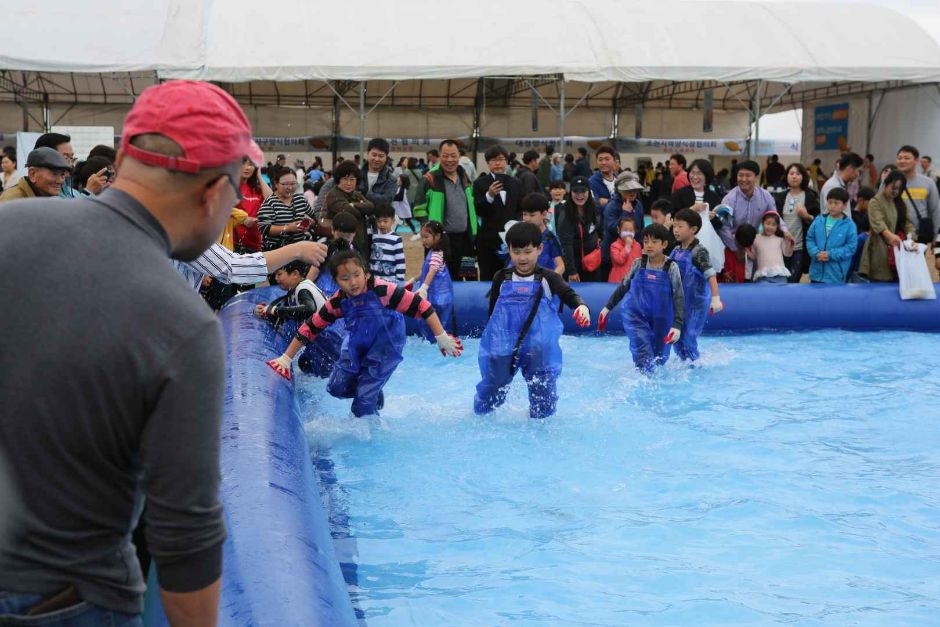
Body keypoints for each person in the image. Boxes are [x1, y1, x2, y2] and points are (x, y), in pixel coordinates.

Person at [0, 79, 258, 626]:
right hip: (64, 600)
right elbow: (185, 532)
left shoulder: (7, 224)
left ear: (122, 159)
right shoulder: (181, 323)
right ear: (213, 192)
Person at [267, 250, 463, 416]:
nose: (352, 282)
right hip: (357, 342)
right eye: (344, 278)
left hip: (386, 346)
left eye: (356, 275)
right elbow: (311, 327)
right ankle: (373, 392)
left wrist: (441, 337)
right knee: (336, 387)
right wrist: (285, 358)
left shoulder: (383, 291)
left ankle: (371, 424)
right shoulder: (338, 301)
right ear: (336, 281)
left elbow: (422, 306)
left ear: (366, 274)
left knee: (362, 404)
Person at [474, 222, 590, 419]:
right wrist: (493, 347)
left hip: (539, 348)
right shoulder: (501, 278)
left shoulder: (549, 278)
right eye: (516, 251)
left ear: (539, 249)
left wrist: (582, 307)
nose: (522, 258)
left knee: (543, 402)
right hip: (505, 348)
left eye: (527, 251)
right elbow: (493, 315)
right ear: (508, 250)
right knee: (491, 393)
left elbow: (569, 295)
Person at [598, 224, 684, 373]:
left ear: (664, 244)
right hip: (636, 315)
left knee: (659, 359)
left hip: (662, 318)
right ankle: (643, 382)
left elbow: (678, 296)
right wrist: (607, 308)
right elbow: (623, 286)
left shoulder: (671, 267)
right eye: (646, 241)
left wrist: (676, 325)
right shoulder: (638, 263)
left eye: (654, 241)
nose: (649, 245)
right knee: (643, 356)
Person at [415, 139, 477, 280]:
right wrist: (430, 230)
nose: (449, 160)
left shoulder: (464, 176)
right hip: (441, 241)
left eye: (453, 156)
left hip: (466, 240)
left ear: (459, 156)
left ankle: (464, 302)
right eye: (445, 156)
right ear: (439, 156)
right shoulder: (430, 178)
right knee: (441, 278)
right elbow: (418, 208)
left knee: (469, 276)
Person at [669, 209, 723, 362]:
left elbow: (711, 274)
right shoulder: (676, 251)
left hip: (696, 305)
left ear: (693, 229)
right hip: (679, 304)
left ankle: (695, 366)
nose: (676, 230)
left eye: (680, 226)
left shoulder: (698, 252)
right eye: (674, 226)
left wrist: (715, 298)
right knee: (677, 339)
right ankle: (684, 364)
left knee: (689, 338)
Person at [719, 160, 789, 269]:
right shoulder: (728, 199)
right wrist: (735, 248)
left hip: (756, 245)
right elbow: (724, 227)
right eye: (740, 175)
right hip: (732, 245)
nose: (743, 179)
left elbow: (776, 217)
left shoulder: (766, 196)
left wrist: (786, 232)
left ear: (756, 177)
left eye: (748, 175)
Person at [473, 145, 523, 280]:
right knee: (487, 278)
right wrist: (489, 195)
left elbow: (520, 209)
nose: (497, 163)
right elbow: (477, 209)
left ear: (506, 161)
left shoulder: (516, 183)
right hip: (488, 241)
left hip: (511, 241)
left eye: (501, 159)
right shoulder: (479, 183)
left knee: (511, 278)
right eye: (493, 160)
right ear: (488, 163)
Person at [859, 170, 915, 282]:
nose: (895, 191)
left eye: (899, 189)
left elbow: (908, 223)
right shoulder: (875, 201)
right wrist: (890, 236)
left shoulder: (901, 203)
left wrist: (911, 239)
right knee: (881, 282)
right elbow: (878, 223)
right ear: (885, 184)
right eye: (893, 187)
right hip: (880, 249)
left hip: (901, 249)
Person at [896, 145, 940, 271]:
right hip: (895, 234)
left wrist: (936, 238)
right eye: (899, 158)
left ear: (916, 160)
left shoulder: (928, 183)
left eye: (906, 158)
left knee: (915, 270)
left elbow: (935, 211)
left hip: (919, 236)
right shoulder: (889, 182)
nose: (902, 161)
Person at [409, 220, 455, 341]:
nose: (423, 240)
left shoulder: (437, 254)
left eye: (426, 237)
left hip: (438, 299)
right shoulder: (433, 252)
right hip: (437, 297)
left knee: (435, 329)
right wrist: (413, 280)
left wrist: (424, 288)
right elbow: (425, 270)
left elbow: (432, 271)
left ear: (438, 236)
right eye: (422, 237)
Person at [774, 163, 820, 282]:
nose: (794, 176)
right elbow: (774, 219)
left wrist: (807, 216)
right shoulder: (780, 197)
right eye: (791, 173)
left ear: (803, 177)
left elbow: (818, 221)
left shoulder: (809, 196)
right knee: (781, 278)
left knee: (793, 279)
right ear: (787, 176)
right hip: (781, 246)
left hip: (799, 247)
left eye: (798, 174)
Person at [807, 188, 858, 283]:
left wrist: (831, 254)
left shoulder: (850, 225)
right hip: (816, 274)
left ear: (845, 205)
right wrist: (815, 253)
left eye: (836, 203)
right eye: (830, 202)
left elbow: (851, 247)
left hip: (835, 275)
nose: (832, 206)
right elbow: (810, 238)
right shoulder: (818, 220)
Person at [258, 167, 316, 251]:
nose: (290, 187)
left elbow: (313, 217)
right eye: (285, 184)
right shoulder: (270, 203)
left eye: (293, 184)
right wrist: (287, 228)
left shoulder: (300, 200)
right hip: (277, 252)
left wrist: (309, 223)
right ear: (276, 184)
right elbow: (263, 228)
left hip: (299, 250)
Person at [558, 175, 602, 282]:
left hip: (592, 261)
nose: (579, 195)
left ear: (588, 191)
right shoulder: (566, 215)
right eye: (575, 191)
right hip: (575, 263)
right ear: (570, 193)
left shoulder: (594, 208)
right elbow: (566, 246)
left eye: (583, 191)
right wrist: (571, 271)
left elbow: (599, 228)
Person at [323, 160, 375, 246]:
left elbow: (370, 206)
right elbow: (349, 211)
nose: (349, 183)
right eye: (345, 179)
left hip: (360, 241)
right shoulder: (333, 194)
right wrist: (361, 209)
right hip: (341, 243)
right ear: (338, 179)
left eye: (352, 179)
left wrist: (354, 204)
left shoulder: (355, 193)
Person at [601, 170, 646, 268]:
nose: (632, 192)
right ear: (619, 190)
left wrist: (642, 247)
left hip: (633, 256)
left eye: (635, 189)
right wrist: (625, 213)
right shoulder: (612, 206)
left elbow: (641, 229)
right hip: (613, 258)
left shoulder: (638, 205)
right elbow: (612, 229)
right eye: (628, 189)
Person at [0, 147, 72, 202]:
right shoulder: (12, 201)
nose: (60, 181)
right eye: (54, 174)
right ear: (33, 174)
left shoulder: (54, 199)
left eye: (62, 175)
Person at [519, 192, 565, 275]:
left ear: (544, 214)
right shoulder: (519, 235)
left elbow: (561, 266)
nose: (527, 218)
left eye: (532, 215)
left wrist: (549, 282)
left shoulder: (550, 237)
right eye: (524, 214)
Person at [751, 210, 794, 283]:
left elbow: (787, 253)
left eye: (774, 225)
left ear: (777, 226)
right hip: (763, 276)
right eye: (768, 224)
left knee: (780, 294)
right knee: (764, 294)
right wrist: (746, 250)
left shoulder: (779, 239)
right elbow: (754, 256)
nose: (770, 227)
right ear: (762, 223)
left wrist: (790, 243)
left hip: (780, 275)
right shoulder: (756, 238)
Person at [369, 203, 406, 284]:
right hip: (375, 280)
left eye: (385, 221)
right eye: (379, 221)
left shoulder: (396, 238)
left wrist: (400, 279)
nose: (382, 224)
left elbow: (400, 260)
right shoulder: (374, 236)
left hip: (390, 281)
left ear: (393, 221)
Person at [819, 152, 863, 218]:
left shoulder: (840, 184)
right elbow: (831, 216)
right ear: (850, 169)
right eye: (858, 171)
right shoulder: (833, 186)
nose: (858, 174)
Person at [359, 138, 396, 205]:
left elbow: (386, 200)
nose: (376, 159)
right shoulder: (357, 174)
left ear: (386, 157)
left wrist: (365, 194)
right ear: (368, 153)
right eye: (374, 155)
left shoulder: (391, 179)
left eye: (381, 156)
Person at [608, 217, 641, 283]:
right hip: (618, 280)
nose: (628, 233)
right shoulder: (614, 246)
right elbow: (619, 260)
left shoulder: (637, 245)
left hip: (633, 280)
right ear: (618, 230)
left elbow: (639, 263)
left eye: (631, 230)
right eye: (625, 230)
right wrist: (627, 246)